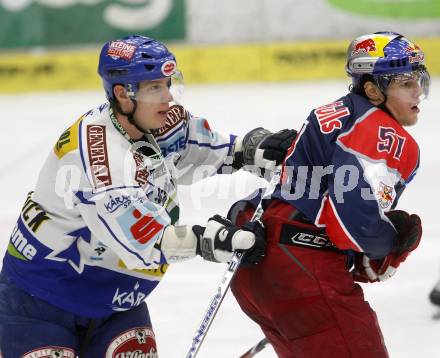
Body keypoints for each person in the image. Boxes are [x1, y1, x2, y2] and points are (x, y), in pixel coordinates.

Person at [0, 35, 295, 357]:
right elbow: (145, 240)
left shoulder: (160, 121)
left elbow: (208, 151)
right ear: (122, 95)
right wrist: (211, 239)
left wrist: (252, 148)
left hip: (118, 302)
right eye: (155, 87)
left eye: (169, 84)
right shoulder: (100, 156)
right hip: (40, 301)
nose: (168, 97)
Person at [229, 31, 428, 358]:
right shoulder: (385, 134)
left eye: (418, 79)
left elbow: (315, 202)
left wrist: (361, 255)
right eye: (406, 83)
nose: (418, 91)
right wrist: (386, 245)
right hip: (304, 270)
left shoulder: (334, 113)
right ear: (373, 90)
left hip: (260, 260)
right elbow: (354, 223)